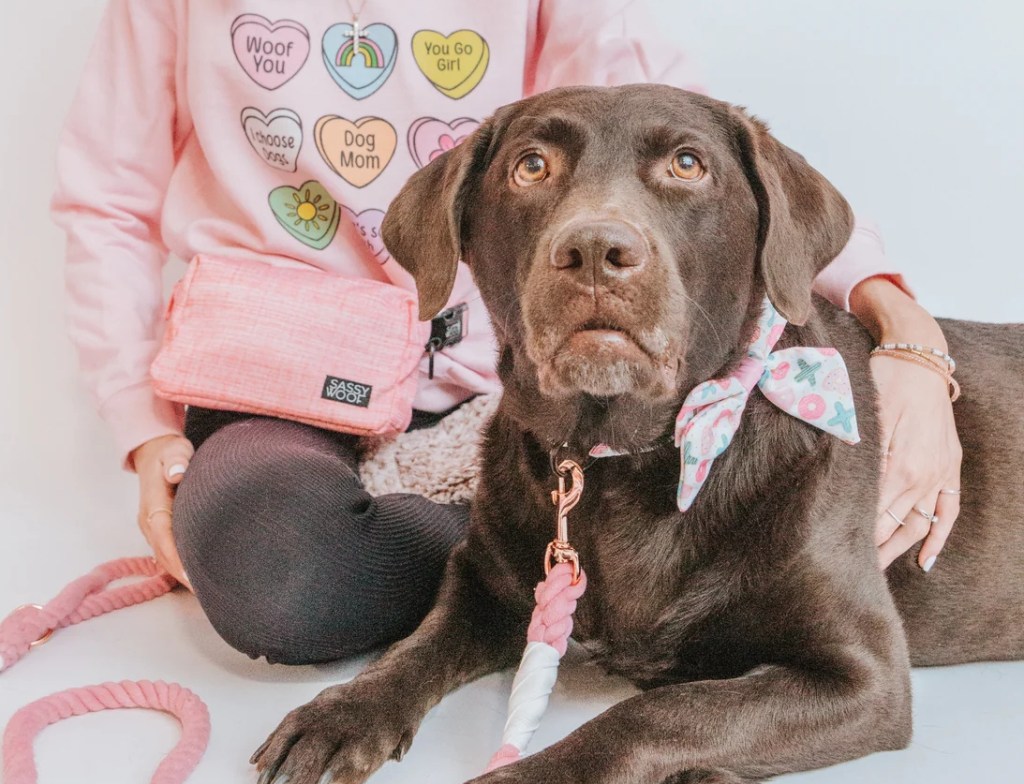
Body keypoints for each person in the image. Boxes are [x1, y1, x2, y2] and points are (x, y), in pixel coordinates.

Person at [51, 0, 962, 665]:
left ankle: (533, 566)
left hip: (512, 389)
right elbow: (106, 199)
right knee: (280, 580)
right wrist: (147, 428)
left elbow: (688, 140)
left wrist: (895, 314)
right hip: (275, 371)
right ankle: (527, 571)